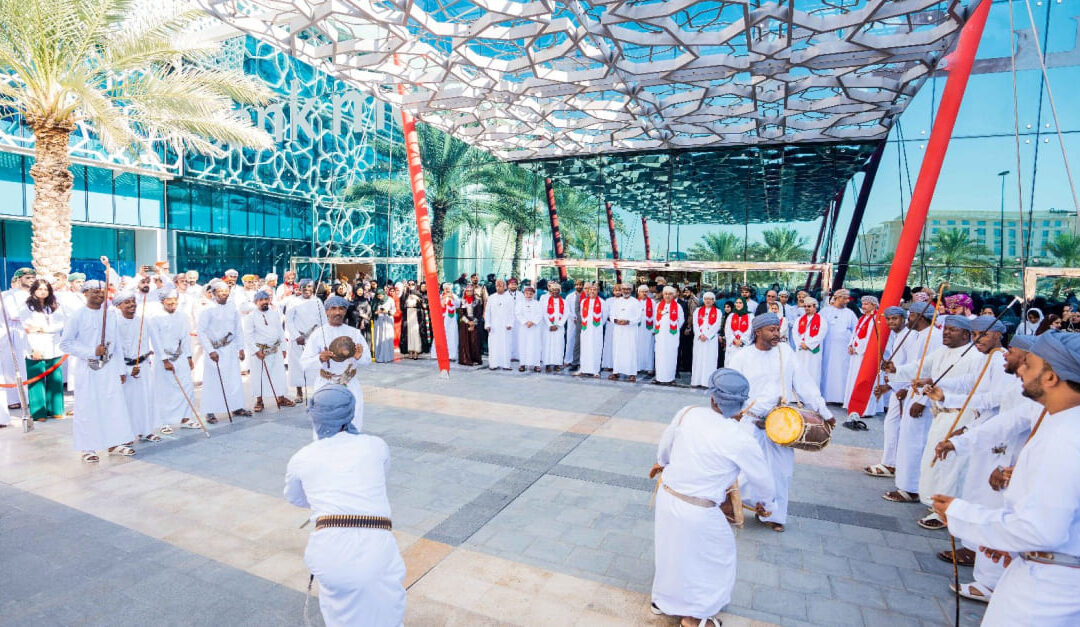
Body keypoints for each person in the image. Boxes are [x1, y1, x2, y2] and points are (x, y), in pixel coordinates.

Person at [932, 331, 1080, 626]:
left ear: (1051, 378)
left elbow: (1039, 530)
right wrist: (1013, 544)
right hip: (1043, 568)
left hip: (1049, 591)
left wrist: (961, 514)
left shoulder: (1068, 437)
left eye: (1030, 364)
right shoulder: (1060, 420)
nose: (1022, 369)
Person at [649, 369, 775, 627]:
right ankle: (694, 617)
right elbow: (763, 479)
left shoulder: (687, 413)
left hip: (667, 496)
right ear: (741, 404)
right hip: (699, 509)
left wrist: (661, 463)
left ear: (713, 398)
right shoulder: (741, 437)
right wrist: (767, 503)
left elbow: (665, 448)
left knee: (670, 550)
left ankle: (662, 600)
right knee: (716, 557)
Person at [284, 385, 406, 627]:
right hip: (377, 545)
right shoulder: (376, 445)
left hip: (329, 548)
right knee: (386, 612)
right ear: (351, 413)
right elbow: (380, 477)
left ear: (315, 417)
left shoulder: (302, 457)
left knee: (340, 616)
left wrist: (323, 499)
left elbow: (295, 498)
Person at [727, 313, 833, 532]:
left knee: (781, 471)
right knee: (744, 469)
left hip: (782, 423)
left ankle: (774, 515)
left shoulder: (785, 352)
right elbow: (732, 389)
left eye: (778, 329)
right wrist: (745, 412)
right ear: (758, 332)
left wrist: (824, 411)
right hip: (751, 421)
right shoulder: (741, 357)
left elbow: (804, 383)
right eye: (772, 330)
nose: (777, 334)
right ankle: (734, 504)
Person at [888, 315, 982, 527]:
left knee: (950, 464)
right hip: (940, 414)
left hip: (960, 415)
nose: (946, 333)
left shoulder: (974, 357)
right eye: (946, 328)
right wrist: (897, 371)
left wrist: (936, 384)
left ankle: (946, 512)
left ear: (966, 334)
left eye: (953, 330)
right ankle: (936, 503)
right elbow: (920, 367)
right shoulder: (941, 351)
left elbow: (969, 384)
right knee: (934, 461)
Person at [59, 279, 136, 462]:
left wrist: (120, 370)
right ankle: (88, 448)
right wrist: (91, 352)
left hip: (110, 369)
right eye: (94, 291)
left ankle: (114, 442)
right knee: (88, 407)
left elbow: (116, 344)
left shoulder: (110, 315)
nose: (99, 295)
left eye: (102, 292)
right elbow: (65, 343)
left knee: (113, 405)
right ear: (85, 293)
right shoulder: (77, 315)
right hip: (88, 369)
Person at [880, 302, 942, 501]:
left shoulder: (932, 337)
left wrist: (922, 400)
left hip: (922, 395)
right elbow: (915, 366)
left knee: (916, 442)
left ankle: (912, 488)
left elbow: (932, 373)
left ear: (920, 317)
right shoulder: (919, 335)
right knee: (907, 439)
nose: (908, 320)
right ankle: (905, 483)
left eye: (911, 316)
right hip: (912, 391)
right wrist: (896, 374)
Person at [301, 296, 371, 429]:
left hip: (350, 385)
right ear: (326, 311)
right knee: (325, 425)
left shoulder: (355, 333)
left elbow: (367, 360)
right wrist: (320, 358)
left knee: (353, 422)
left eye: (341, 309)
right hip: (325, 385)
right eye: (333, 308)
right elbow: (304, 363)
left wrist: (358, 357)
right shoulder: (317, 334)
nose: (337, 312)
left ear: (345, 311)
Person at [862, 306, 910, 476]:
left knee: (897, 427)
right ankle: (891, 462)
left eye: (895, 319)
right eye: (888, 319)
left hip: (906, 389)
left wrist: (898, 387)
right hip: (898, 387)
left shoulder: (909, 337)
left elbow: (912, 367)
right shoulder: (898, 336)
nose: (891, 322)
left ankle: (893, 464)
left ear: (904, 319)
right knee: (892, 426)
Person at [114, 291, 165, 442]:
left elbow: (156, 341)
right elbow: (114, 350)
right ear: (119, 306)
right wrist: (126, 369)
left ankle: (147, 431)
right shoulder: (115, 323)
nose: (131, 305)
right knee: (127, 402)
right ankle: (127, 434)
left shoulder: (144, 320)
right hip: (124, 368)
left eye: (133, 301)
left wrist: (165, 360)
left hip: (143, 366)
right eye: (127, 302)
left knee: (145, 399)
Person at [147, 289, 201, 431]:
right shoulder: (154, 318)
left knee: (187, 386)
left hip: (181, 356)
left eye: (175, 301)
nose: (172, 304)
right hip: (163, 359)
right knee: (164, 391)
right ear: (162, 301)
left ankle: (186, 418)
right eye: (169, 301)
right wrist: (164, 360)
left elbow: (185, 337)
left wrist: (189, 357)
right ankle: (164, 422)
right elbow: (156, 341)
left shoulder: (183, 316)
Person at [198, 281, 250, 423]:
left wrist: (241, 348)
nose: (223, 295)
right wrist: (210, 351)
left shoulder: (233, 307)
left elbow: (238, 328)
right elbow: (201, 332)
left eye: (226, 292)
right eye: (220, 292)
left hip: (230, 348)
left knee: (234, 380)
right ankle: (210, 411)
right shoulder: (207, 309)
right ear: (213, 293)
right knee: (213, 381)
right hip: (214, 351)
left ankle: (237, 407)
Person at [21, 278, 66, 421]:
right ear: (34, 290)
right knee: (36, 380)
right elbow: (28, 327)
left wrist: (42, 328)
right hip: (35, 346)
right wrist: (34, 347)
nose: (43, 292)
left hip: (54, 347)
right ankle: (38, 413)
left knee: (55, 379)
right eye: (40, 289)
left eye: (45, 289)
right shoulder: (26, 307)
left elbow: (61, 324)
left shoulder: (55, 305)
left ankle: (56, 410)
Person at [245, 290, 295, 412]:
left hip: (276, 350)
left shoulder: (274, 314)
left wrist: (283, 348)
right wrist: (256, 351)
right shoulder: (251, 317)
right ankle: (259, 401)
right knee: (259, 376)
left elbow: (280, 332)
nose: (264, 302)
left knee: (279, 375)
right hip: (260, 352)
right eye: (261, 300)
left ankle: (281, 398)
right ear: (256, 302)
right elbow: (248, 336)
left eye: (266, 299)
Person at [286, 280, 327, 400]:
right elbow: (289, 320)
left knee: (315, 365)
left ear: (313, 288)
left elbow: (323, 320)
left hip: (314, 339)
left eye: (309, 286)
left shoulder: (318, 301)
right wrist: (296, 336)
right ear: (299, 288)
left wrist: (322, 338)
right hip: (298, 339)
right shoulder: (293, 301)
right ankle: (299, 393)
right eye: (303, 287)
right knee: (297, 366)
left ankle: (316, 391)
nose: (306, 289)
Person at [843, 296, 883, 417]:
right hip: (856, 354)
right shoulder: (863, 318)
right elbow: (855, 333)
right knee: (853, 378)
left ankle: (865, 409)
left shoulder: (875, 319)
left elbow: (872, 338)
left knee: (863, 380)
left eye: (866, 304)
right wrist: (850, 345)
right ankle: (852, 404)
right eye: (863, 304)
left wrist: (858, 349)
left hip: (864, 355)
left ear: (874, 305)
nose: (863, 306)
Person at [821, 289, 857, 403]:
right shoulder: (825, 311)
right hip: (827, 347)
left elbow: (856, 330)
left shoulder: (850, 313)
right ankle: (826, 397)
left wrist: (852, 344)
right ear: (837, 298)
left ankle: (841, 398)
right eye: (844, 298)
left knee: (842, 371)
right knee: (827, 370)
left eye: (848, 298)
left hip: (843, 349)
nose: (847, 301)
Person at [608, 283, 641, 383]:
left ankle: (632, 373)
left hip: (630, 330)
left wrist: (628, 321)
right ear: (621, 290)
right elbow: (611, 314)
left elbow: (639, 317)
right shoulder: (616, 302)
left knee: (631, 351)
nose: (626, 291)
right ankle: (616, 371)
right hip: (619, 330)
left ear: (631, 290)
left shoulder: (636, 302)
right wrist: (616, 320)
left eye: (628, 289)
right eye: (624, 289)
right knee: (617, 350)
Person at [793, 296, 827, 390]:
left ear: (815, 307)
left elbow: (821, 335)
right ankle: (799, 394)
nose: (807, 308)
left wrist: (808, 344)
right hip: (801, 350)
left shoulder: (821, 320)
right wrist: (800, 343)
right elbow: (795, 333)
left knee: (813, 371)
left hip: (813, 351)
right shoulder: (799, 320)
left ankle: (812, 394)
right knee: (800, 371)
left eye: (809, 306)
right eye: (805, 306)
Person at [689, 292, 723, 387]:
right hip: (699, 339)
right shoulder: (697, 311)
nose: (708, 301)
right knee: (698, 359)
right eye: (706, 299)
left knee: (710, 360)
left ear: (713, 301)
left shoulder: (718, 312)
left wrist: (707, 335)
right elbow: (695, 324)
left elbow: (717, 325)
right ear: (703, 300)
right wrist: (700, 335)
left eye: (710, 299)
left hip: (710, 340)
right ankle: (697, 381)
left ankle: (707, 382)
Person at [653, 286, 684, 385]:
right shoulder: (658, 305)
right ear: (663, 294)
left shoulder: (678, 306)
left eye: (670, 294)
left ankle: (670, 378)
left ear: (673, 295)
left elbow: (681, 320)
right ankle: (659, 377)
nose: (667, 296)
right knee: (659, 356)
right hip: (660, 335)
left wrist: (672, 328)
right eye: (666, 294)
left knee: (671, 355)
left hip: (672, 336)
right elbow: (655, 319)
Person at [576, 282, 606, 378]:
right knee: (585, 348)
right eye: (590, 290)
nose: (592, 291)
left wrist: (598, 325)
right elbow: (581, 314)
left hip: (596, 329)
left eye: (594, 290)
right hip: (586, 329)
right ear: (588, 291)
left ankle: (595, 370)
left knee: (596, 348)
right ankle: (584, 369)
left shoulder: (602, 302)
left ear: (598, 291)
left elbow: (604, 317)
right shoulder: (583, 302)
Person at [484, 279, 514, 370]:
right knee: (493, 345)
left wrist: (510, 323)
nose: (499, 287)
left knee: (506, 344)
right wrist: (487, 324)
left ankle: (506, 364)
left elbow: (512, 312)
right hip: (494, 326)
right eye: (497, 285)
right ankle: (493, 364)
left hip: (505, 326)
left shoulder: (509, 298)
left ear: (505, 286)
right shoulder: (491, 297)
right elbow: (487, 312)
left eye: (501, 285)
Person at [513, 285, 544, 373]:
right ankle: (522, 364)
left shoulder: (537, 303)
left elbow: (540, 314)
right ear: (524, 294)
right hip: (524, 327)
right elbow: (518, 314)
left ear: (533, 294)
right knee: (523, 345)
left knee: (535, 346)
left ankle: (536, 365)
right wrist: (526, 322)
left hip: (534, 328)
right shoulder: (520, 303)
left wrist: (533, 322)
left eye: (531, 293)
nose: (529, 295)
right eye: (527, 293)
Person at [539, 282, 567, 372]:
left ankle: (557, 364)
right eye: (553, 290)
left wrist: (558, 324)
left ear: (560, 291)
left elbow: (566, 314)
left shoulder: (564, 302)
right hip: (548, 327)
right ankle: (547, 364)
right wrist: (550, 325)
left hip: (559, 327)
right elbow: (544, 313)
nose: (555, 292)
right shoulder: (545, 301)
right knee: (548, 345)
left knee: (558, 345)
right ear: (550, 291)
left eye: (557, 290)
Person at [434, 283, 458, 361]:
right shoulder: (440, 296)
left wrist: (452, 298)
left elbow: (458, 305)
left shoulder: (454, 296)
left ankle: (451, 355)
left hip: (451, 321)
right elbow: (440, 305)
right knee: (441, 336)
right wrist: (444, 298)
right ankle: (439, 354)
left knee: (451, 336)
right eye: (445, 288)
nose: (447, 290)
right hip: (442, 320)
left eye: (448, 288)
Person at [635, 284, 656, 375]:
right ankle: (638, 367)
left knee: (649, 347)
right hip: (638, 329)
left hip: (649, 329)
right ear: (638, 292)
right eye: (642, 291)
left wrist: (654, 329)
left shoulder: (653, 302)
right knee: (638, 347)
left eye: (646, 291)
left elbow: (656, 316)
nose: (644, 293)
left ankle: (649, 368)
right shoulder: (635, 302)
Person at [372, 289, 396, 363]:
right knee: (379, 338)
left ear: (384, 294)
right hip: (378, 321)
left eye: (381, 295)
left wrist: (387, 311)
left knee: (387, 337)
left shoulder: (390, 300)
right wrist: (377, 312)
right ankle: (379, 356)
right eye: (378, 296)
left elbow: (394, 310)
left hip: (387, 321)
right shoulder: (375, 301)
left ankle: (388, 356)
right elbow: (372, 311)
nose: (379, 297)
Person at [564, 279, 583, 368]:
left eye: (580, 285)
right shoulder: (569, 296)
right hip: (572, 321)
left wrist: (580, 318)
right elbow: (567, 309)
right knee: (570, 339)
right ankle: (568, 360)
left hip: (582, 321)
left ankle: (579, 360)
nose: (579, 286)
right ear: (574, 286)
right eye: (577, 285)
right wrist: (573, 317)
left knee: (581, 341)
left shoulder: (585, 296)